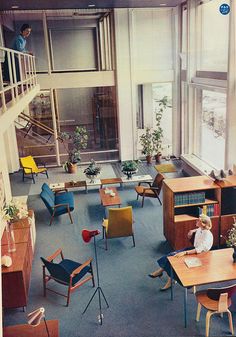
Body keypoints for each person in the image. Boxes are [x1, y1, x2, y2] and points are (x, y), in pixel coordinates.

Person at [148, 214, 213, 291]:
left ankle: (166, 276)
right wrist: (192, 231)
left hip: (201, 255)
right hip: (193, 249)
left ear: (203, 223)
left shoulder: (207, 235)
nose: (196, 221)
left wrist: (185, 253)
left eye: (198, 220)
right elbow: (198, 230)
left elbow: (199, 249)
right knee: (171, 256)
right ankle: (163, 273)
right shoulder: (201, 228)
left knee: (174, 258)